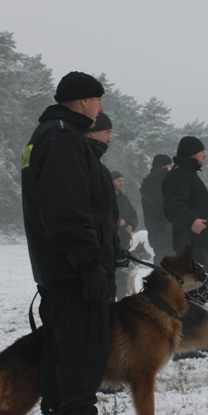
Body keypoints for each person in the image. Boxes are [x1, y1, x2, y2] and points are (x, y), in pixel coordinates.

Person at [21, 71, 114, 415]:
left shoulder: (45, 135)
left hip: (56, 268)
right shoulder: (63, 139)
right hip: (73, 268)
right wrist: (90, 262)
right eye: (98, 100)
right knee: (82, 347)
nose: (101, 108)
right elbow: (68, 210)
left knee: (59, 346)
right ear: (81, 101)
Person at [162, 136, 208, 273]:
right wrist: (190, 221)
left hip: (199, 243)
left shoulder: (189, 174)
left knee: (202, 289)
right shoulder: (179, 175)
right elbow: (172, 206)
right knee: (194, 290)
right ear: (192, 153)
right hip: (189, 245)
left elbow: (202, 211)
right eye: (202, 151)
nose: (205, 155)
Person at [84, 112, 120, 301]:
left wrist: (115, 246)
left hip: (104, 260)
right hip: (93, 264)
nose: (109, 139)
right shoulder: (83, 164)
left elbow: (109, 215)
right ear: (92, 133)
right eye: (106, 132)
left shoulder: (99, 167)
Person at [139, 154, 173, 265]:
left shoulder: (149, 184)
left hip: (157, 235)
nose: (172, 168)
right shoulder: (158, 183)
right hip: (166, 234)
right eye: (170, 165)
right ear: (164, 167)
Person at [111, 170, 138, 300]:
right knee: (112, 275)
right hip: (111, 243)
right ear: (112, 182)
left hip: (124, 243)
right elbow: (102, 216)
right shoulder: (107, 198)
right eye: (118, 180)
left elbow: (133, 214)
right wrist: (117, 222)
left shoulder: (124, 199)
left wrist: (131, 225)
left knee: (123, 274)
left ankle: (121, 299)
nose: (121, 183)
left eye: (122, 180)